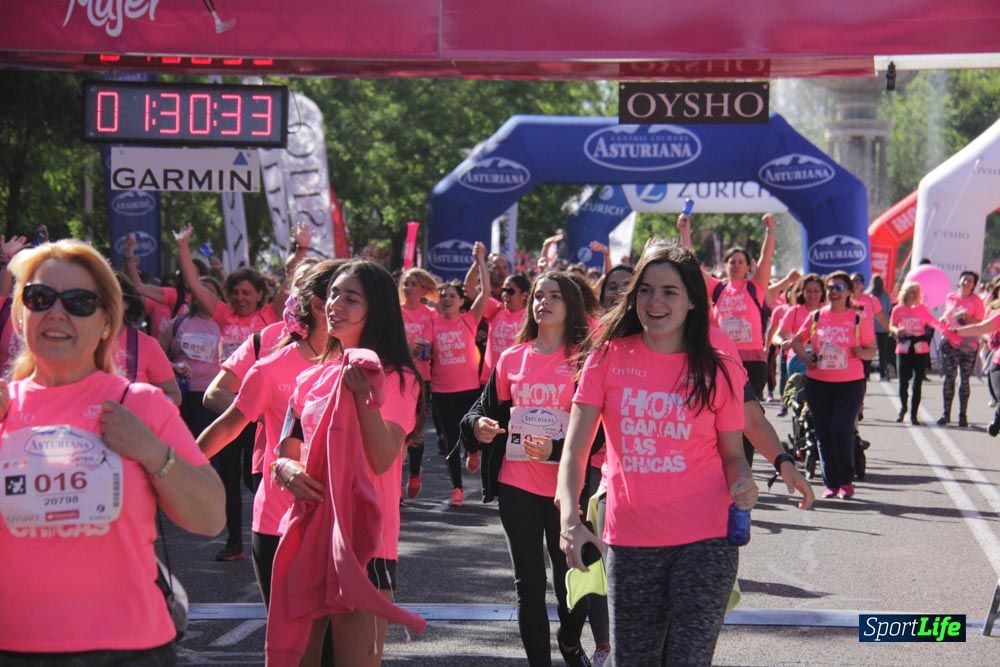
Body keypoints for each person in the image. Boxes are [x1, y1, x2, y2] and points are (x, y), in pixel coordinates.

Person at [0, 240, 224, 664]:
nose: (57, 313)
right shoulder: (3, 406)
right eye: (40, 297)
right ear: (20, 312)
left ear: (107, 322)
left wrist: (151, 451)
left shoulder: (138, 403)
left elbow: (211, 518)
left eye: (79, 302)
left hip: (127, 648)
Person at [556, 245, 756, 666]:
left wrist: (743, 481)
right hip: (631, 540)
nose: (655, 302)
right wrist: (569, 521)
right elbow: (574, 450)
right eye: (645, 291)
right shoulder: (607, 357)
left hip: (706, 541)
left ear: (691, 301)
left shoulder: (717, 368)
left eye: (669, 292)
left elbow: (733, 455)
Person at [272, 259, 422, 666]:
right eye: (334, 294)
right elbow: (284, 455)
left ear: (377, 310)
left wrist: (363, 400)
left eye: (350, 298)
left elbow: (383, 456)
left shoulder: (396, 378)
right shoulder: (310, 378)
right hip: (310, 539)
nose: (336, 303)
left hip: (366, 545)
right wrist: (286, 471)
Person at [461, 271, 593, 666]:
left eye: (554, 296)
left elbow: (600, 432)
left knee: (576, 578)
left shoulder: (585, 360)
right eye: (538, 295)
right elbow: (479, 411)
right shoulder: (511, 358)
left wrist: (556, 448)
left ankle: (569, 641)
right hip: (516, 486)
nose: (543, 302)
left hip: (566, 491)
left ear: (570, 305)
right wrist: (478, 427)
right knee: (529, 587)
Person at [197, 261, 336, 607]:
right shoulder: (271, 367)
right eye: (344, 297)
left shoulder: (359, 363)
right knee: (286, 640)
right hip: (278, 519)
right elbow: (228, 425)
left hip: (339, 521)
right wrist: (172, 469)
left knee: (333, 643)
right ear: (319, 306)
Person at [790, 272, 876, 499]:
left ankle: (846, 479)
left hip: (850, 383)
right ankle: (831, 483)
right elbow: (797, 341)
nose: (834, 291)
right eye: (830, 287)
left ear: (849, 292)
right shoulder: (817, 316)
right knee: (824, 433)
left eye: (839, 287)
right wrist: (807, 359)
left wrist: (862, 352)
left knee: (841, 427)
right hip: (819, 383)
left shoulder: (858, 319)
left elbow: (872, 348)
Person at [431, 243, 490, 506]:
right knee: (450, 440)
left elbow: (486, 291)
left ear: (461, 300)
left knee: (471, 433)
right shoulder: (431, 321)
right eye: (443, 295)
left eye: (452, 295)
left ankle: (474, 451)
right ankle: (457, 487)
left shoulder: (469, 319)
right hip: (441, 390)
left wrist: (480, 262)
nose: (446, 298)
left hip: (468, 389)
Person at [161, 275, 223, 438]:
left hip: (211, 396)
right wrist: (174, 367)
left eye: (209, 291)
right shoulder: (179, 322)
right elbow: (157, 355)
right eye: (200, 290)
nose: (203, 295)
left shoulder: (225, 325)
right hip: (182, 394)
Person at [889, 282, 958, 425]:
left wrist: (943, 326)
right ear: (905, 293)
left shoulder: (922, 309)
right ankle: (903, 408)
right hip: (904, 347)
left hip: (920, 347)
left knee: (918, 382)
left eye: (916, 292)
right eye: (911, 291)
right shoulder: (898, 309)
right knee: (903, 382)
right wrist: (897, 331)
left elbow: (932, 324)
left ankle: (913, 414)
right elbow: (892, 325)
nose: (914, 295)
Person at [399, 267, 439, 499]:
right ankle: (394, 486)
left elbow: (436, 344)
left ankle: (414, 473)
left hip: (422, 379)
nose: (408, 287)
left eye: (414, 283)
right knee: (395, 430)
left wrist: (428, 349)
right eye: (406, 283)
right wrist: (407, 351)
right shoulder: (395, 312)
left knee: (415, 432)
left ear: (423, 289)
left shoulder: (431, 315)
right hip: (398, 375)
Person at [937, 271, 985, 427]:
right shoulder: (951, 297)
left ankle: (962, 415)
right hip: (951, 341)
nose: (967, 282)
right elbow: (947, 315)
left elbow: (979, 323)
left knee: (964, 380)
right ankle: (946, 414)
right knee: (949, 378)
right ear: (959, 281)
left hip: (968, 344)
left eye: (971, 281)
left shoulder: (976, 300)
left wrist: (966, 317)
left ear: (974, 285)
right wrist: (943, 319)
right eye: (965, 279)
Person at [775, 274, 827, 415]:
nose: (812, 295)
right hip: (798, 357)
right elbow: (777, 335)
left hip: (824, 359)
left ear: (822, 293)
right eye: (808, 291)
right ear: (802, 292)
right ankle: (800, 396)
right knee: (804, 376)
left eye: (816, 291)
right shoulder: (795, 311)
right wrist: (783, 342)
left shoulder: (828, 311)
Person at [868, 275, 895, 379]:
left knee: (869, 350)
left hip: (870, 327)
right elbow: (888, 310)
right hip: (883, 327)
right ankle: (882, 374)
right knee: (882, 352)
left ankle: (867, 373)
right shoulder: (886, 295)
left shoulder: (869, 295)